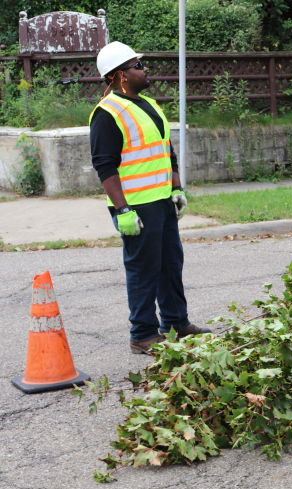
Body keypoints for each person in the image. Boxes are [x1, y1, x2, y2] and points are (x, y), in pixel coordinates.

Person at [89, 41, 210, 354]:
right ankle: (142, 334)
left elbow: (165, 149)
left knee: (171, 262)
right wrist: (123, 210)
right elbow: (105, 166)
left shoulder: (149, 104)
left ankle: (176, 323)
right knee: (143, 269)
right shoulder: (107, 113)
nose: (145, 68)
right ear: (121, 76)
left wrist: (177, 186)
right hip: (135, 206)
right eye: (137, 65)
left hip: (162, 200)